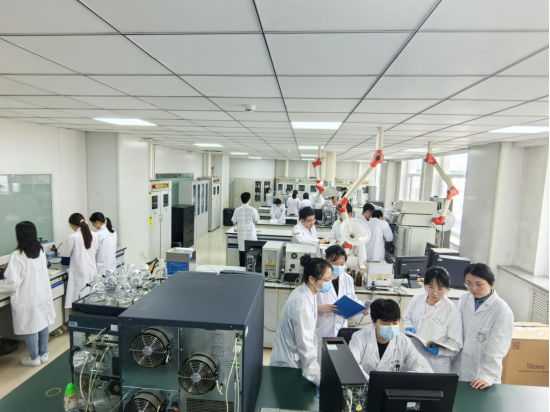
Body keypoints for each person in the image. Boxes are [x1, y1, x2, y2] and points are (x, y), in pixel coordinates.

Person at [271, 255, 334, 386]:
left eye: (330, 279)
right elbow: (305, 345)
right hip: (289, 364)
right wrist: (319, 380)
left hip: (295, 361)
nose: (329, 284)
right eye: (326, 280)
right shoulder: (301, 304)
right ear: (312, 279)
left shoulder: (308, 292)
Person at [0, 222, 55, 367]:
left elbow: (12, 282)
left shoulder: (17, 255)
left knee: (30, 325)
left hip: (27, 296)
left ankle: (34, 358)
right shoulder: (40, 250)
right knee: (42, 323)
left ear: (19, 235)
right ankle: (44, 354)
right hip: (41, 294)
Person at [453, 264, 514, 390]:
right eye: (469, 284)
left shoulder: (501, 310)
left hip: (482, 373)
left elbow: (498, 346)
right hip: (460, 366)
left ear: (490, 283)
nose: (473, 288)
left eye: (479, 284)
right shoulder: (464, 299)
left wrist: (488, 375)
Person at [350, 299, 434, 381]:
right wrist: (372, 381)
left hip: (395, 386)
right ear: (374, 322)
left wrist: (398, 379)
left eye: (395, 323)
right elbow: (351, 366)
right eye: (385, 323)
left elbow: (425, 370)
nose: (391, 327)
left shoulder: (404, 341)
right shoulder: (359, 338)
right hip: (366, 385)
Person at [403, 267, 463, 373]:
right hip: (413, 356)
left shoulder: (452, 311)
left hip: (436, 364)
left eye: (440, 289)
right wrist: (409, 327)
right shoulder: (416, 300)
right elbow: (407, 318)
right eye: (430, 287)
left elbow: (456, 344)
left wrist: (439, 350)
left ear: (447, 287)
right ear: (425, 285)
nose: (435, 293)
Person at [316, 245, 370, 360]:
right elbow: (306, 303)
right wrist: (319, 308)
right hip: (321, 327)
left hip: (340, 328)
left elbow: (352, 299)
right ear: (326, 261)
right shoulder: (318, 278)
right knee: (320, 361)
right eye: (335, 263)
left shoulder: (347, 279)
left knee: (337, 361)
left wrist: (361, 308)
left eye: (342, 264)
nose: (339, 267)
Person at [60, 213, 99, 309]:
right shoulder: (94, 235)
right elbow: (95, 250)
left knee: (79, 298)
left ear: (73, 224)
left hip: (79, 272)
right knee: (90, 298)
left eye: (70, 225)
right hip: (91, 270)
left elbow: (64, 253)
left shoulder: (73, 237)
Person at [329, 203, 367, 272]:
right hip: (338, 258)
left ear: (349, 214)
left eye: (341, 214)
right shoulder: (336, 224)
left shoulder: (356, 227)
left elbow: (361, 248)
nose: (340, 217)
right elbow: (331, 238)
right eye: (338, 214)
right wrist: (334, 243)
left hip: (351, 260)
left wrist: (362, 265)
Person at [232, 192, 260, 267]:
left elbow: (234, 222)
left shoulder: (237, 210)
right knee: (252, 253)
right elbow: (256, 221)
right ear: (249, 200)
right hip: (250, 234)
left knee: (242, 253)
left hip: (241, 234)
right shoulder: (253, 210)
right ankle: (251, 269)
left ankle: (242, 269)